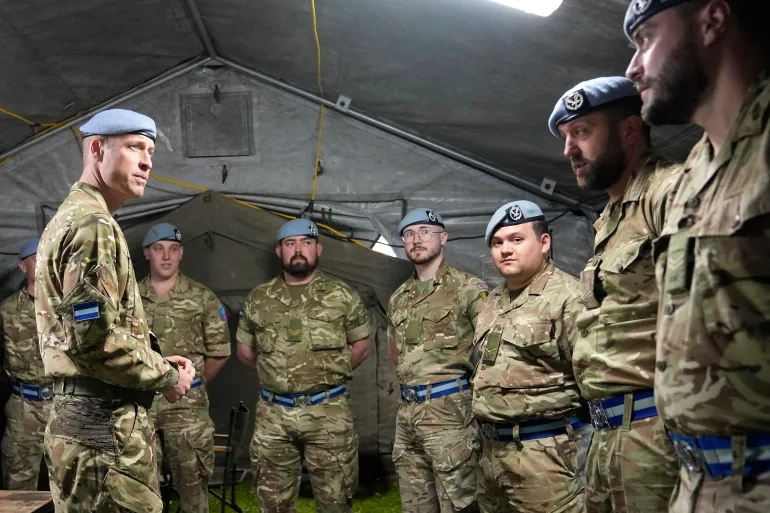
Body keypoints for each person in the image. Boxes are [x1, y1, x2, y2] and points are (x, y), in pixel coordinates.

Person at [624, 1, 770, 511]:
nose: (633, 67)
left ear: (712, 21)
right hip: (699, 483)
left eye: (646, 38)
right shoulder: (693, 172)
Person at [35, 108, 195, 512]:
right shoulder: (93, 226)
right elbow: (95, 341)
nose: (147, 162)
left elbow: (89, 331)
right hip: (103, 430)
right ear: (96, 150)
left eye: (150, 152)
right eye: (134, 147)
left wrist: (156, 360)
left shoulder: (71, 218)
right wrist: (167, 376)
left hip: (88, 425)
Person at [547, 76, 680, 512]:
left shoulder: (669, 192)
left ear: (629, 129)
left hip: (655, 433)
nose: (569, 150)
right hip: (609, 434)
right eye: (565, 137)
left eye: (581, 132)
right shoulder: (609, 218)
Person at [236, 218, 372, 513]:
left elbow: (362, 345)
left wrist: (326, 373)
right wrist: (276, 374)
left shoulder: (341, 295)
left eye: (306, 243)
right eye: (290, 243)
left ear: (318, 249)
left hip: (328, 413)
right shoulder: (259, 298)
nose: (298, 250)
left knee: (335, 502)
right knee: (273, 503)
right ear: (279, 251)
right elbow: (245, 351)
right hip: (273, 415)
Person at [472, 200, 588, 513]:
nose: (505, 250)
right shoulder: (493, 300)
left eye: (516, 239)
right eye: (497, 243)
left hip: (546, 457)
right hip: (491, 453)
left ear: (544, 242)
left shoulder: (568, 298)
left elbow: (595, 384)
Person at [387, 208, 487, 513]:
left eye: (424, 232)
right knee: (416, 504)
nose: (416, 239)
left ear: (443, 238)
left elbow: (491, 350)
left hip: (450, 412)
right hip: (408, 413)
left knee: (460, 502)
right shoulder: (398, 297)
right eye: (409, 234)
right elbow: (396, 352)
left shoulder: (468, 288)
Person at [138, 223, 231, 513]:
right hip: (140, 403)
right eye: (159, 249)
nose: (166, 256)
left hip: (187, 408)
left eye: (173, 249)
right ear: (147, 253)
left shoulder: (202, 297)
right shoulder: (130, 297)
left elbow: (219, 352)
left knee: (192, 486)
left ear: (181, 253)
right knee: (138, 485)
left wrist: (189, 383)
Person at [0, 239, 52, 490]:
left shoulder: (67, 308)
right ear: (23, 266)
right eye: (36, 258)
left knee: (74, 481)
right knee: (19, 484)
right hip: (24, 407)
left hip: (64, 406)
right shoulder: (7, 311)